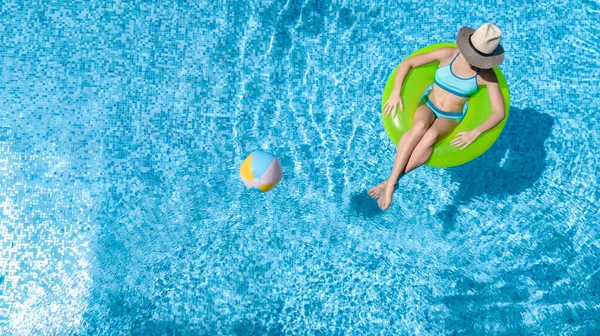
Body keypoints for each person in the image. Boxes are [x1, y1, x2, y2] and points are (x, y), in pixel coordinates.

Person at [369, 23, 507, 210]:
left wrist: (475, 131)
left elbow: (499, 113)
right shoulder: (448, 54)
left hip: (449, 117)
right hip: (428, 105)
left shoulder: (487, 76)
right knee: (419, 127)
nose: (474, 61)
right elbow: (408, 63)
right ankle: (392, 182)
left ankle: (390, 182)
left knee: (431, 136)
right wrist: (396, 92)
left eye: (480, 59)